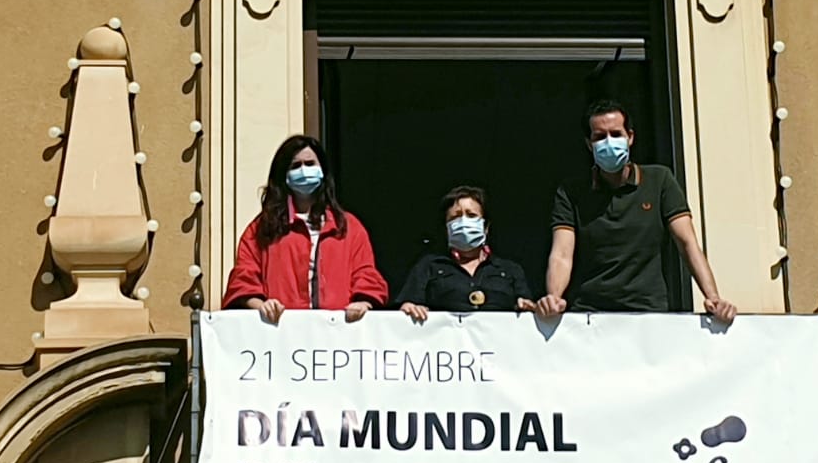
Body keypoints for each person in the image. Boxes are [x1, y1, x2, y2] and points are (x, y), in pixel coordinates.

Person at [538, 100, 738, 322]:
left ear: (630, 137)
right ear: (589, 143)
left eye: (616, 134)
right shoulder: (571, 191)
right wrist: (554, 297)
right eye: (600, 136)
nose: (609, 142)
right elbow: (562, 253)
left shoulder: (660, 181)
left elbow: (687, 243)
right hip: (589, 315)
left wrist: (713, 297)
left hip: (649, 313)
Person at [223, 134, 388, 322]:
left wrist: (363, 303)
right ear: (283, 175)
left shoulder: (348, 227)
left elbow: (366, 275)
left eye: (310, 164)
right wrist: (261, 305)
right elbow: (244, 277)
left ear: (322, 170)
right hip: (281, 330)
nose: (303, 170)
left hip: (337, 331)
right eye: (295, 166)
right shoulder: (262, 228)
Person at [397, 186, 538, 320]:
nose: (464, 222)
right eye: (455, 217)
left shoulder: (510, 270)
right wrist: (409, 309)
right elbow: (407, 308)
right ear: (447, 228)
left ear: (486, 227)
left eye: (471, 215)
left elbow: (527, 309)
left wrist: (527, 307)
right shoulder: (429, 266)